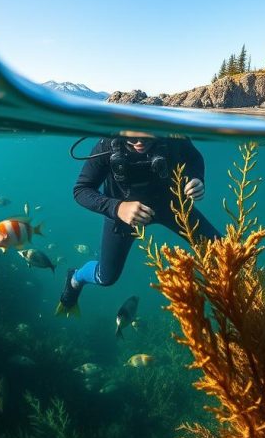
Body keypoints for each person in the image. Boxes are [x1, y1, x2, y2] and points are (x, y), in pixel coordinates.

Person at [58, 132, 221, 316]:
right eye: (132, 138)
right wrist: (117, 207)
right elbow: (81, 190)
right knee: (106, 277)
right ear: (120, 130)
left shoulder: (171, 136)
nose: (139, 143)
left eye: (147, 138)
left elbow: (193, 157)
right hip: (123, 214)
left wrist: (197, 179)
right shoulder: (107, 146)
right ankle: (76, 277)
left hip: (171, 206)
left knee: (222, 250)